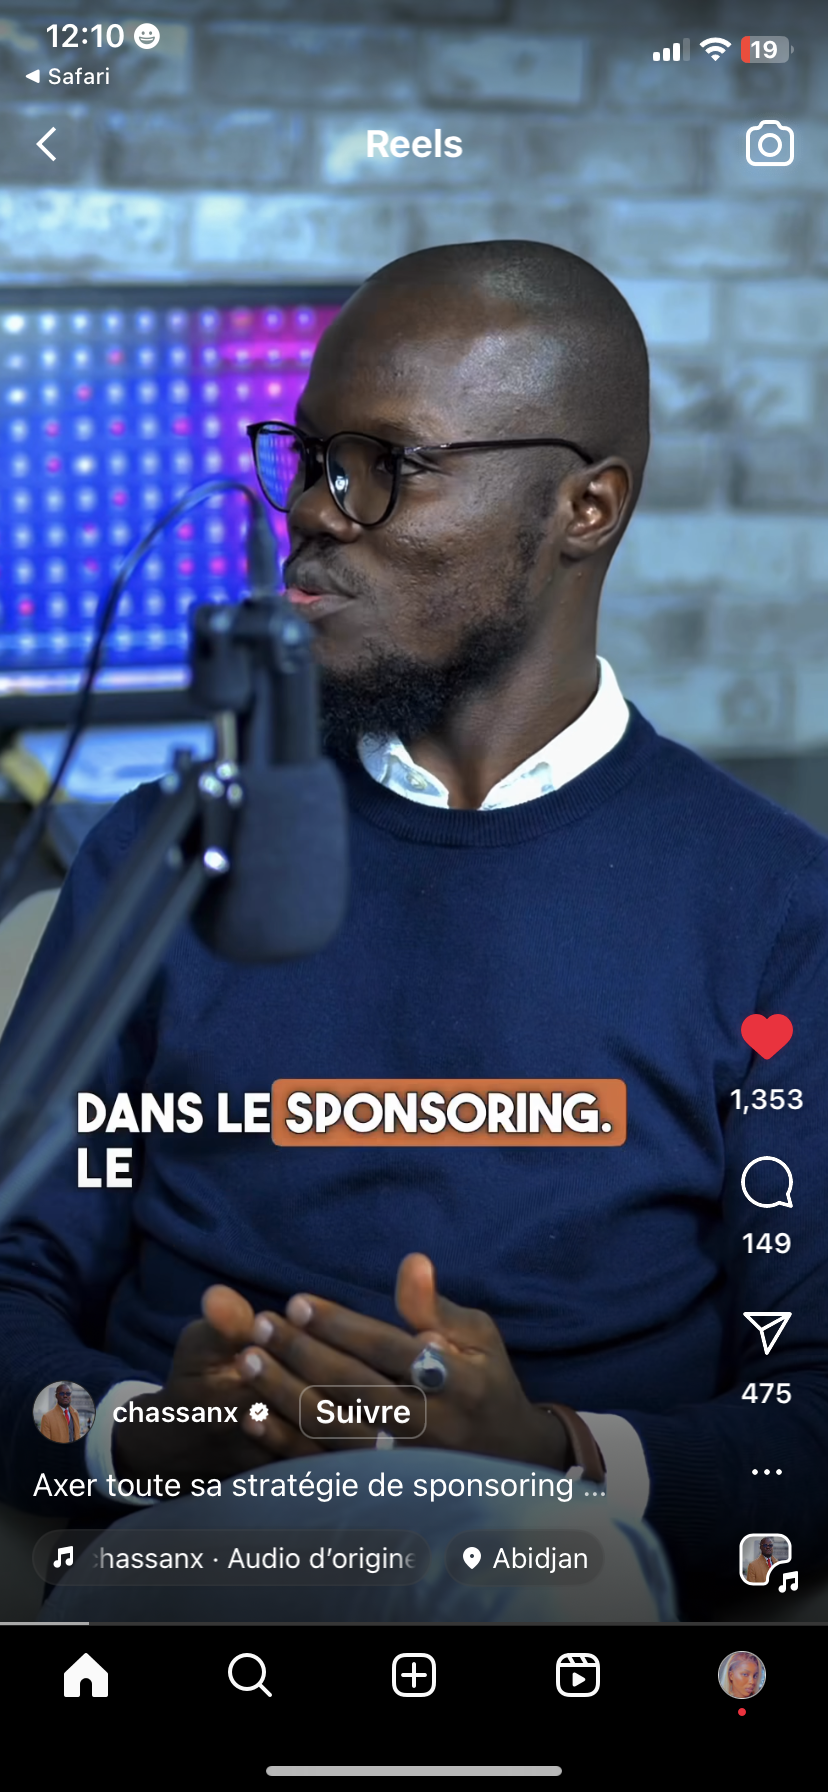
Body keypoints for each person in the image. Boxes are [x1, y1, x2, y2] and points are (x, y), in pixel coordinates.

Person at [1, 239, 827, 1623]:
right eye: (309, 458)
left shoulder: (776, 907)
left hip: (561, 1560)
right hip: (199, 1543)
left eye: (383, 463)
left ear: (584, 507)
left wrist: (548, 1452)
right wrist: (155, 1429)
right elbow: (13, 1276)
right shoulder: (165, 853)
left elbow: (810, 1403)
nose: (312, 511)